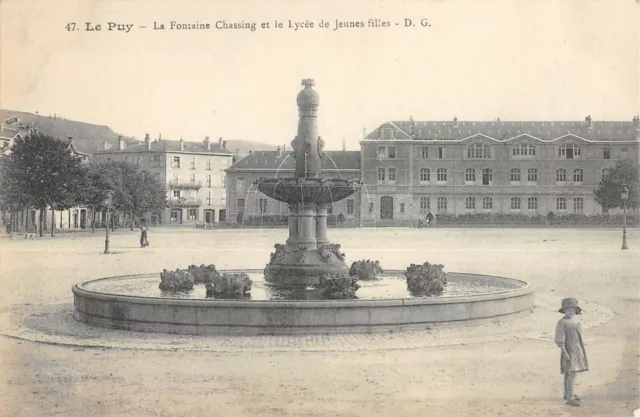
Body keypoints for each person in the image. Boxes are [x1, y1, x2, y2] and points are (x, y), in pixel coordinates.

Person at [555, 297, 589, 406]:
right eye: (567, 309)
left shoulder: (576, 322)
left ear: (575, 310)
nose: (570, 312)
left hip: (577, 349)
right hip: (568, 351)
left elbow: (579, 338)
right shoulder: (562, 323)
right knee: (571, 372)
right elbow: (560, 339)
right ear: (564, 311)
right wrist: (564, 352)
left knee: (570, 372)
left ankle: (567, 393)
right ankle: (570, 397)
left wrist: (581, 351)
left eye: (572, 309)